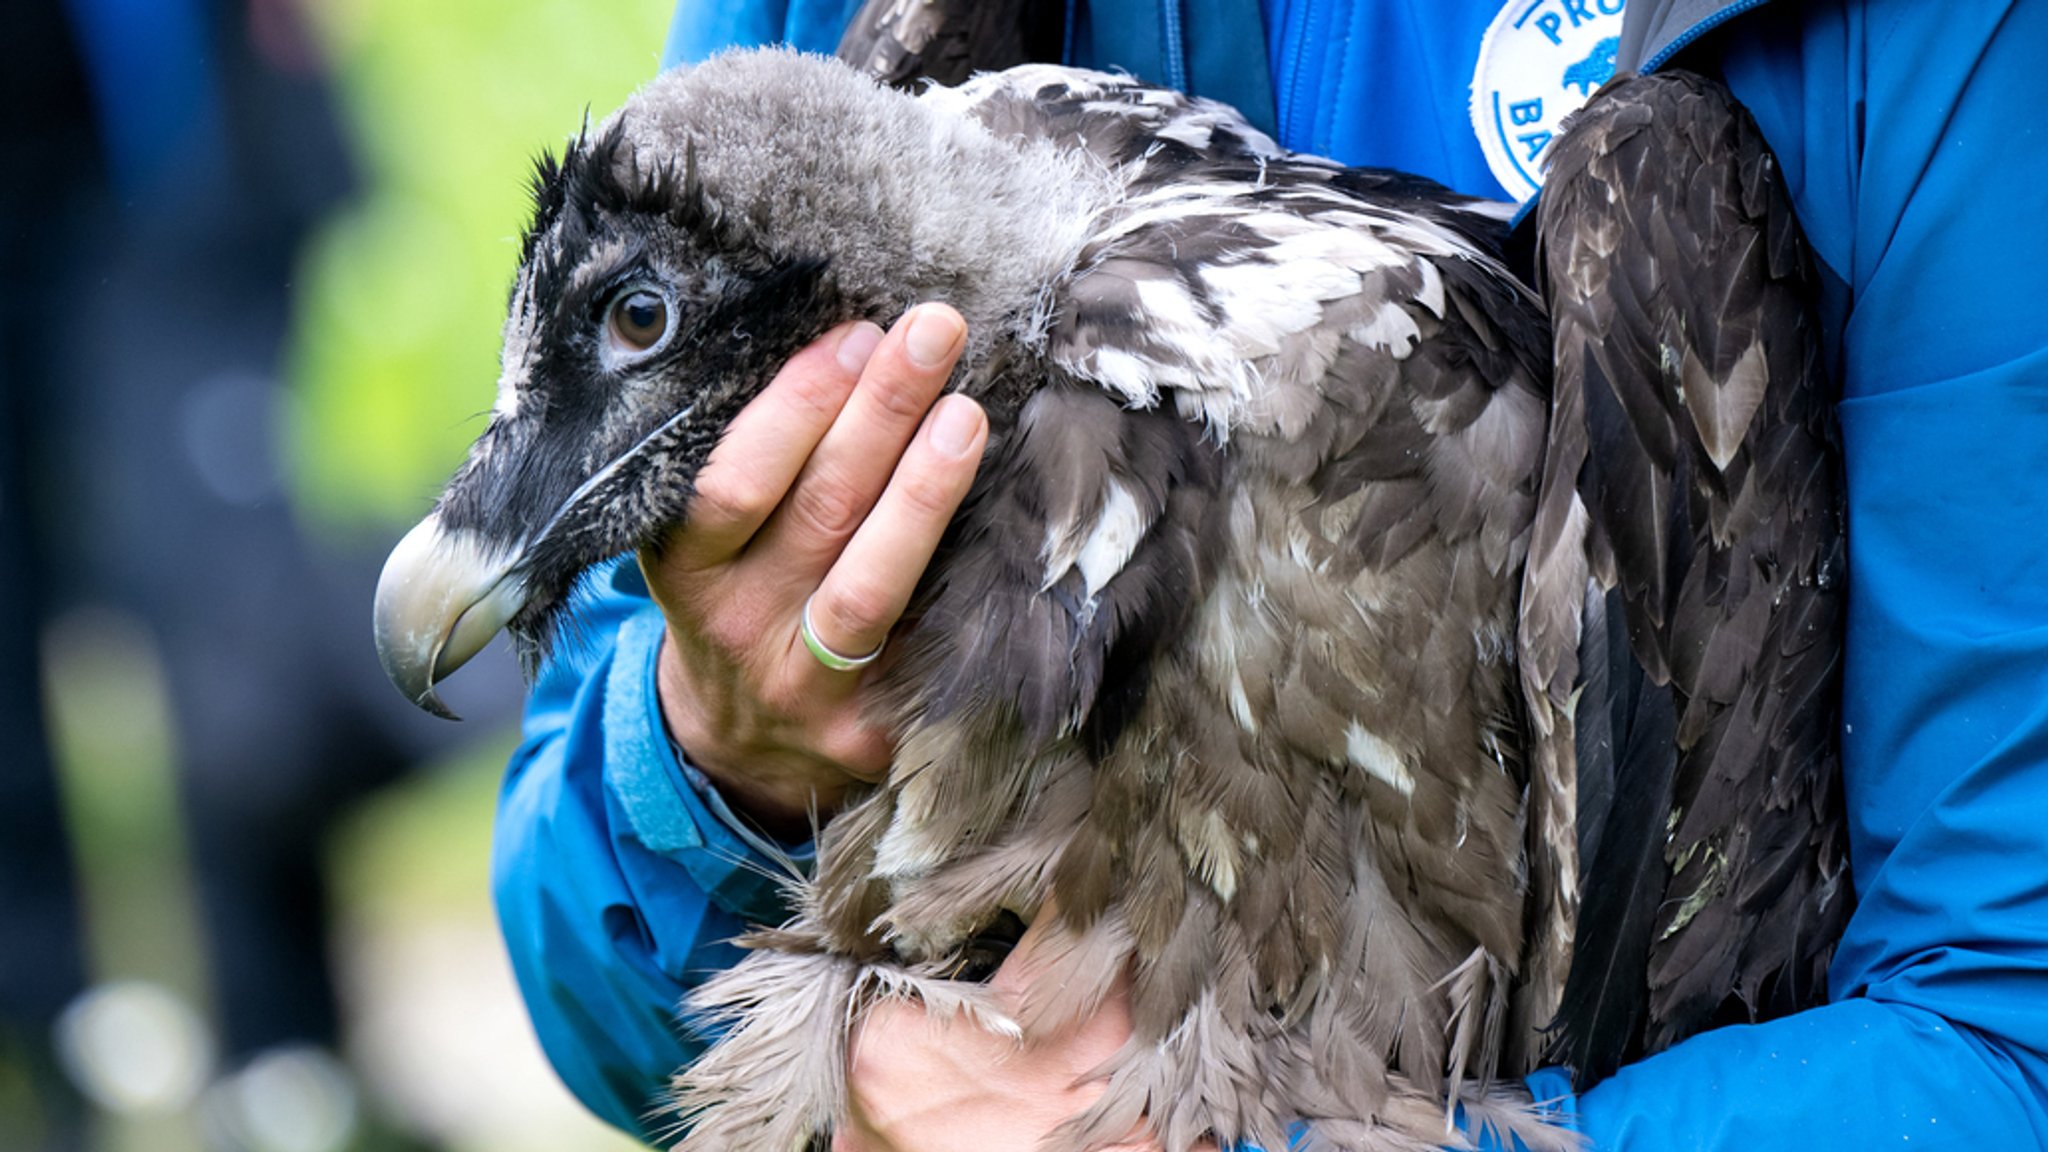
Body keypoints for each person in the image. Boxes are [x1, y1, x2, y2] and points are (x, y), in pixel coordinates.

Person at [491, 0, 2048, 1147]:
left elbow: (2008, 1040)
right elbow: (588, 960)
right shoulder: (853, 76)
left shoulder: (1923, 45)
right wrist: (711, 758)